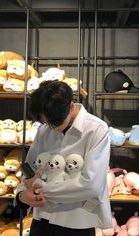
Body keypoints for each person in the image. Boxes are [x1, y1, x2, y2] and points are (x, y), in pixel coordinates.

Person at [16, 80, 112, 236]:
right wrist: (21, 196)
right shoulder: (44, 129)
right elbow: (30, 170)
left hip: (77, 223)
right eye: (45, 122)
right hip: (42, 220)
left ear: (71, 106)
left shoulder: (96, 130)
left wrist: (42, 188)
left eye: (55, 123)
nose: (51, 128)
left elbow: (90, 185)